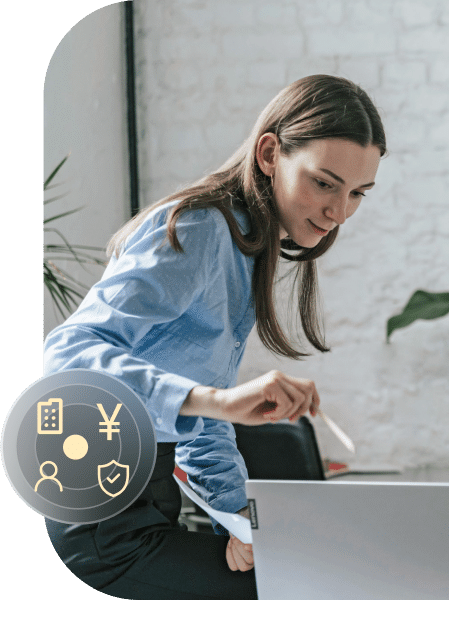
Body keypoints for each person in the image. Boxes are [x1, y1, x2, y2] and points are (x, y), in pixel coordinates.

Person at [43, 75, 385, 599]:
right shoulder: (201, 229)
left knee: (308, 576)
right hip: (102, 519)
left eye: (357, 193)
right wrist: (218, 400)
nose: (338, 212)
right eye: (324, 183)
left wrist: (243, 521)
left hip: (145, 506)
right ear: (270, 153)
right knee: (303, 589)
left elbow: (202, 427)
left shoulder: (244, 246)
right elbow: (69, 354)